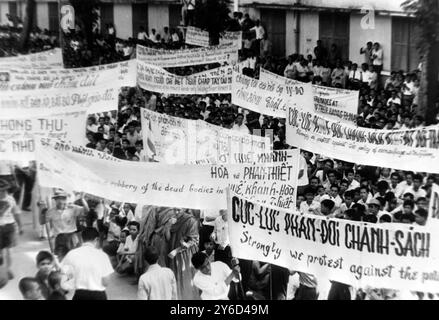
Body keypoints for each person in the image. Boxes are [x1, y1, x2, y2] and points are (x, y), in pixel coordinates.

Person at [61, 227, 114, 300]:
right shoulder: (102, 256)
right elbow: (106, 282)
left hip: (80, 295)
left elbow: (63, 275)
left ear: (82, 239)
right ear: (97, 240)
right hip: (99, 295)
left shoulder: (71, 254)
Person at [43, 190, 89, 261]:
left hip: (71, 236)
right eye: (59, 198)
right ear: (55, 200)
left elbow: (86, 210)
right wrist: (41, 210)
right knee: (60, 259)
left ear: (66, 199)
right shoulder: (50, 212)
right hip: (59, 238)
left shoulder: (73, 208)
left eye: (63, 198)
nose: (61, 200)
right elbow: (43, 221)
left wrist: (82, 199)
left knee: (74, 259)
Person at [0, 179, 22, 280]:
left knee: (9, 251)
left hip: (9, 226)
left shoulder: (11, 199)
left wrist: (20, 225)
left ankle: (8, 269)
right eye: (1, 190)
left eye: (5, 190)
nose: (3, 192)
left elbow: (16, 212)